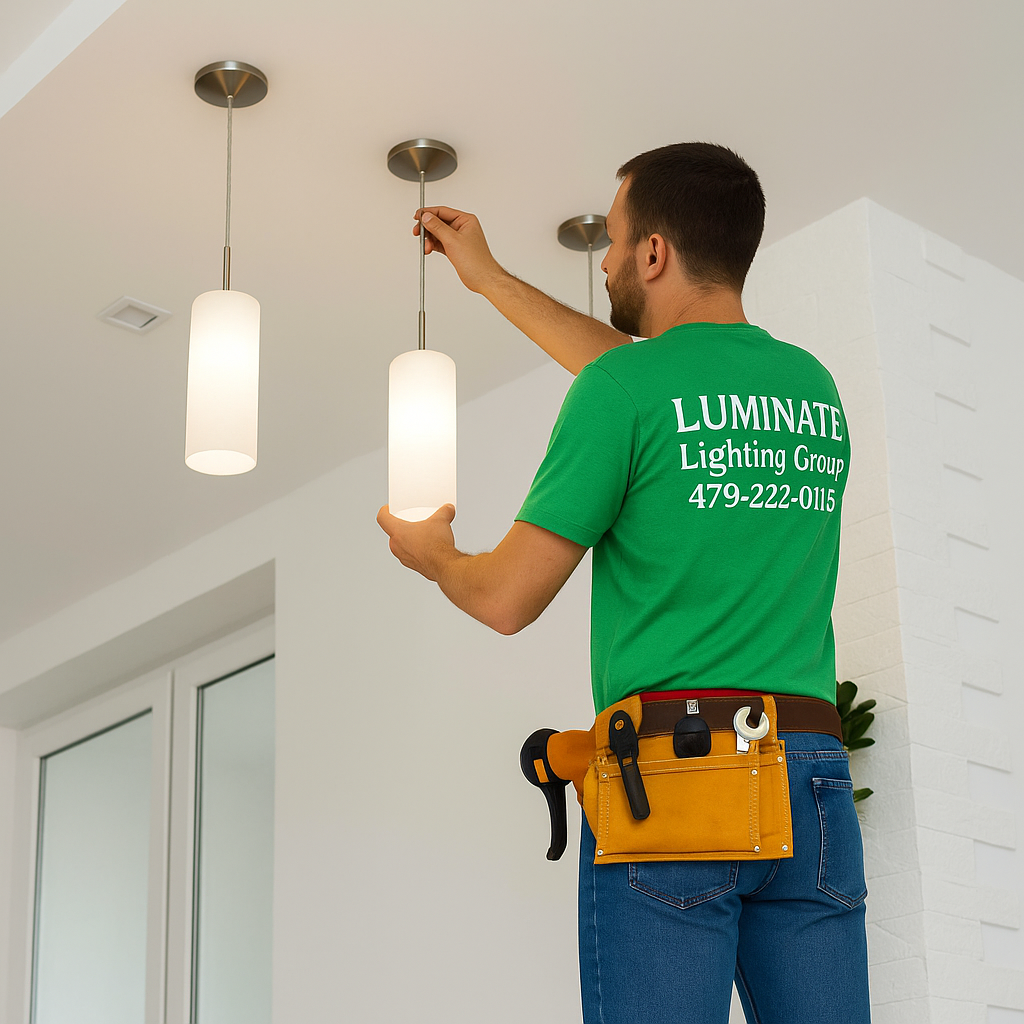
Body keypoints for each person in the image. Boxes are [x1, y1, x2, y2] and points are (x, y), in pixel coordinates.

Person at [377, 142, 871, 1024]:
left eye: (611, 240)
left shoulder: (624, 392)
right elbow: (649, 383)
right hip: (812, 775)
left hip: (676, 779)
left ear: (654, 254)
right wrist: (489, 279)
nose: (603, 260)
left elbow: (505, 599)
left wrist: (434, 556)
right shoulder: (812, 388)